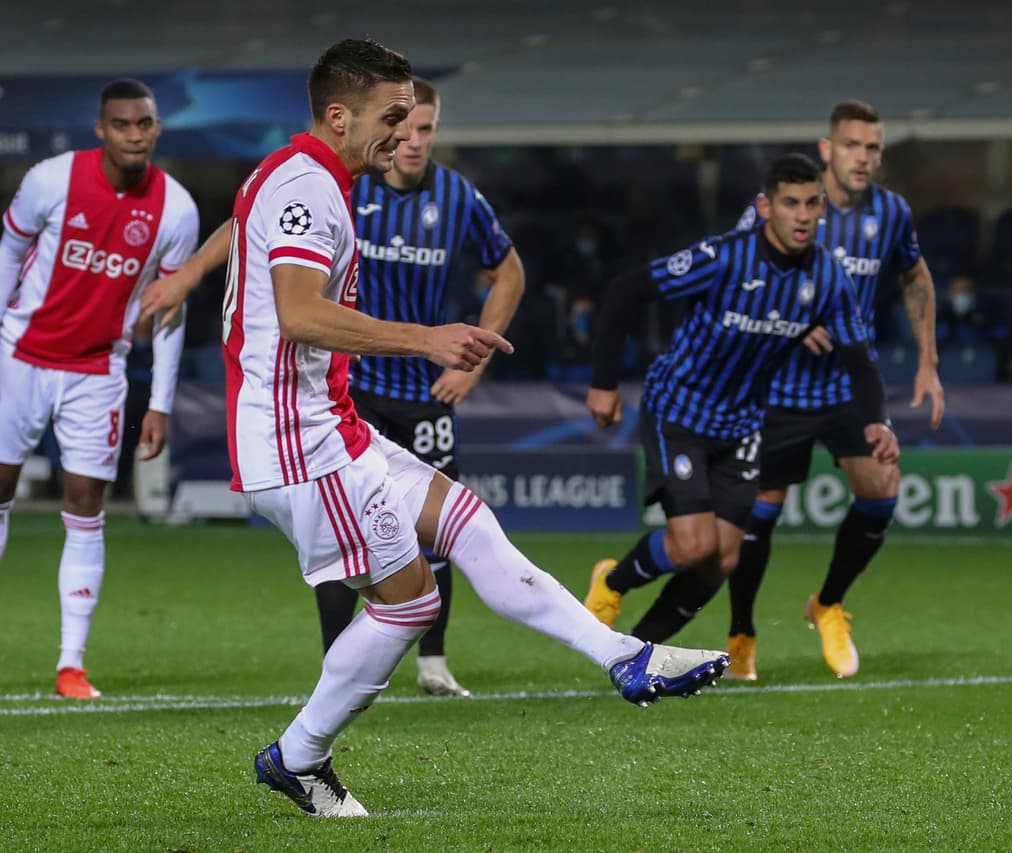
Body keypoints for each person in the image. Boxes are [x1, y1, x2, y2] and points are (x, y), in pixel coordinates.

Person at [174, 38, 726, 818]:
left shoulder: (309, 176)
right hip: (297, 441)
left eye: (412, 118)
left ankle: (625, 656)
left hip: (331, 422)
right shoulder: (307, 188)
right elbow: (297, 312)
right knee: (409, 603)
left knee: (467, 521)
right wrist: (425, 338)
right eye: (391, 117)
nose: (404, 133)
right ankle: (299, 755)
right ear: (339, 116)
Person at [142, 77, 527, 698]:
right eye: (402, 124)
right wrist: (189, 275)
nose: (411, 139)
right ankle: (338, 664)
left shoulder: (459, 198)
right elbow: (250, 225)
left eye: (425, 128)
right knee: (345, 538)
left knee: (439, 531)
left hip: (424, 389)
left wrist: (471, 363)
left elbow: (509, 272)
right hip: (352, 384)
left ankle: (433, 663)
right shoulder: (349, 182)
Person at [584, 153, 897, 649]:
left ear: (822, 210)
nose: (801, 215)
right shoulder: (724, 258)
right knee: (694, 546)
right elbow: (627, 290)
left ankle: (639, 653)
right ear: (765, 207)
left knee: (723, 559)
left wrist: (877, 421)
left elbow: (859, 357)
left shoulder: (829, 277)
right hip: (680, 411)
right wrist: (604, 383)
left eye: (811, 203)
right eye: (790, 203)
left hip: (743, 426)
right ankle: (613, 582)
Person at [726, 100, 943, 681]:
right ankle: (741, 633)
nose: (862, 157)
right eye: (851, 145)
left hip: (849, 386)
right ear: (827, 149)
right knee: (758, 515)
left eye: (872, 147)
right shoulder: (781, 205)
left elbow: (914, 275)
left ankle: (828, 603)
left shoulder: (891, 212)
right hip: (777, 386)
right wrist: (793, 320)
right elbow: (736, 274)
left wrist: (928, 360)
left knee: (881, 489)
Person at [0, 79, 198, 699]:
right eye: (121, 125)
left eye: (144, 124)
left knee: (87, 503)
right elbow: (9, 251)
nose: (134, 135)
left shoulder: (177, 210)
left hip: (98, 371)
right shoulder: (51, 179)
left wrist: (159, 402)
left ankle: (71, 665)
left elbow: (170, 312)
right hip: (21, 357)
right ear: (101, 130)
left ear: (156, 129)